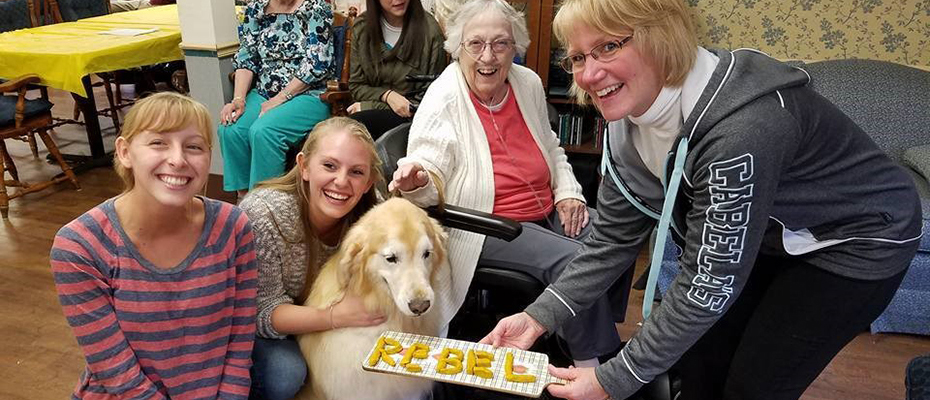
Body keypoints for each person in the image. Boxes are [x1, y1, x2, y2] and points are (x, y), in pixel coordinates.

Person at [480, 0, 923, 398]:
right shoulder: (625, 120)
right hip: (776, 231)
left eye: (609, 47)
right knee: (700, 361)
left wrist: (611, 381)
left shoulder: (743, 130)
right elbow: (612, 240)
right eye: (577, 57)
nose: (588, 74)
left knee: (755, 384)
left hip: (860, 238)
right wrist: (537, 318)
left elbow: (708, 282)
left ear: (661, 36)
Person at [389, 0, 626, 368]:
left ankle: (585, 328)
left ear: (515, 47)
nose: (488, 56)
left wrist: (566, 191)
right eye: (476, 44)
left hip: (545, 211)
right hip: (485, 227)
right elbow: (428, 170)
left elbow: (550, 145)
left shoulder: (526, 82)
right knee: (578, 262)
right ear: (457, 47)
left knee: (617, 238)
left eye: (500, 44)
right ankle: (589, 365)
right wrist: (416, 182)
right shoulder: (444, 98)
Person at [50, 92, 258, 399]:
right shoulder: (80, 245)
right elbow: (116, 370)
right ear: (124, 152)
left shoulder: (233, 226)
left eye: (194, 146)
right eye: (158, 142)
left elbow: (240, 342)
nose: (178, 159)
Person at [239, 117, 388, 400]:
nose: (341, 182)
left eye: (356, 172)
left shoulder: (373, 215)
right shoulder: (263, 214)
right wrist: (334, 317)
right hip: (266, 331)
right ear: (304, 166)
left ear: (369, 183)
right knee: (285, 372)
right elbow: (261, 313)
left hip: (327, 317)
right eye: (329, 166)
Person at [218, 0, 334, 195]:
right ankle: (244, 200)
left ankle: (266, 202)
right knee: (231, 128)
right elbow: (246, 57)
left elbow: (317, 63)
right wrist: (238, 99)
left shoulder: (315, 8)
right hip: (264, 92)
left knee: (263, 131)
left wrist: (280, 98)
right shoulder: (255, 9)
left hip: (309, 93)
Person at [345, 0, 447, 139]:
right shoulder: (362, 27)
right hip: (369, 117)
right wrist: (387, 96)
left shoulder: (430, 32)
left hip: (415, 123)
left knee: (355, 128)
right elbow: (356, 85)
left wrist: (369, 106)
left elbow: (428, 102)